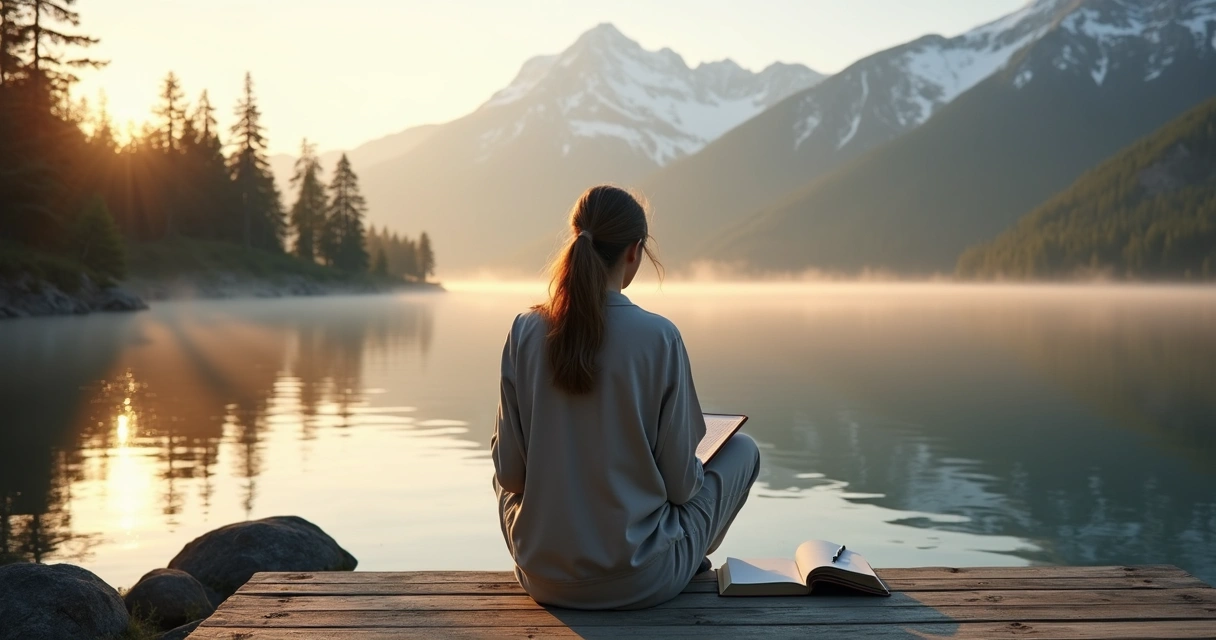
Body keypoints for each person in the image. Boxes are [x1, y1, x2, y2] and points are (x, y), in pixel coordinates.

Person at [491, 184, 761, 610]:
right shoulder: (659, 337)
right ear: (634, 251)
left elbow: (510, 476)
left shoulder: (524, 331)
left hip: (542, 576)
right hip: (641, 579)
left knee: (507, 476)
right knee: (743, 449)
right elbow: (681, 487)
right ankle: (685, 560)